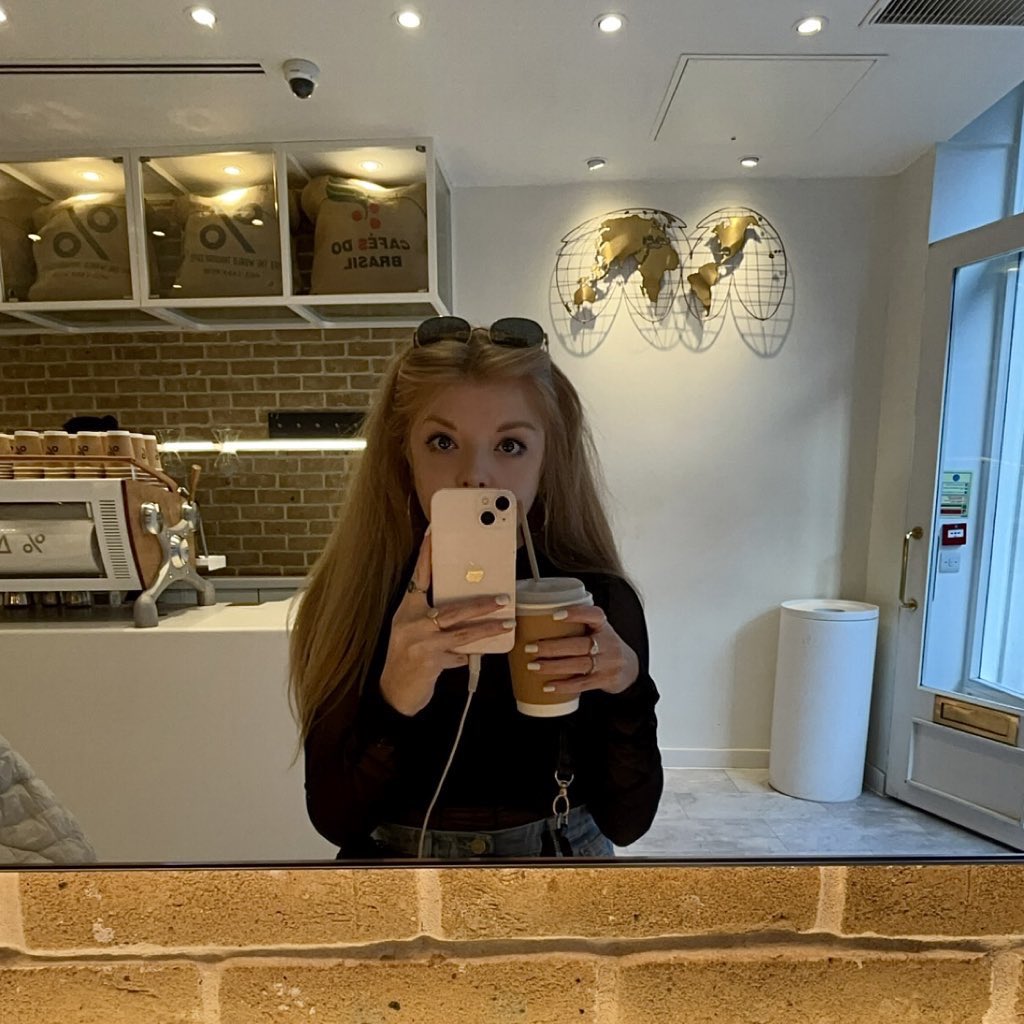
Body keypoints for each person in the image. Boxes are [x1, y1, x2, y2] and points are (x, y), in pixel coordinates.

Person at [289, 316, 662, 858]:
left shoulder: (592, 601)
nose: (475, 475)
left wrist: (626, 686)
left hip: (556, 859)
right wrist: (394, 699)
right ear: (403, 454)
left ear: (548, 460)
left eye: (510, 445)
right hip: (401, 870)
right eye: (442, 442)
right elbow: (335, 821)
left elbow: (628, 823)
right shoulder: (355, 598)